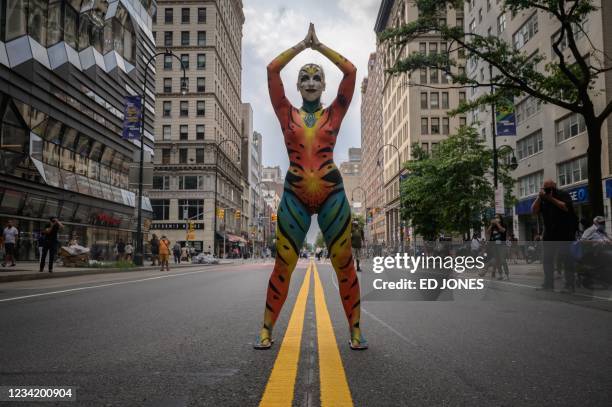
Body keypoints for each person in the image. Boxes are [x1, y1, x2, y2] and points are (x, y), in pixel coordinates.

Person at [255, 24, 366, 350]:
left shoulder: (334, 113)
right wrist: (303, 45)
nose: (312, 82)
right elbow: (272, 68)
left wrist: (319, 48)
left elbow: (351, 70)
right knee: (283, 265)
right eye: (305, 77)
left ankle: (356, 331)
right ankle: (265, 329)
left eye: (317, 78)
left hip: (332, 193)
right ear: (298, 86)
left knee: (344, 263)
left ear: (325, 85)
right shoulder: (285, 112)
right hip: (294, 194)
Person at [531, 179, 578, 292]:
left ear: (555, 187)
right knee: (547, 259)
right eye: (545, 188)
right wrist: (539, 197)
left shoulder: (563, 194)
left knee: (567, 259)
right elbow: (533, 210)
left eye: (550, 188)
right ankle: (548, 284)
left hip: (565, 232)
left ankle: (569, 285)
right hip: (549, 234)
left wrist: (550, 198)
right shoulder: (543, 199)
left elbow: (565, 207)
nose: (548, 190)